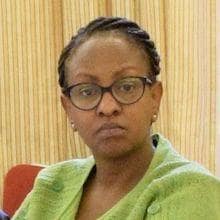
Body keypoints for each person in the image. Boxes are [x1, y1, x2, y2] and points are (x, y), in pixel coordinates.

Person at [12, 16, 220, 220]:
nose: (108, 107)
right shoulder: (51, 184)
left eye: (126, 87)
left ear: (155, 98)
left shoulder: (191, 191)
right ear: (68, 108)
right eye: (87, 91)